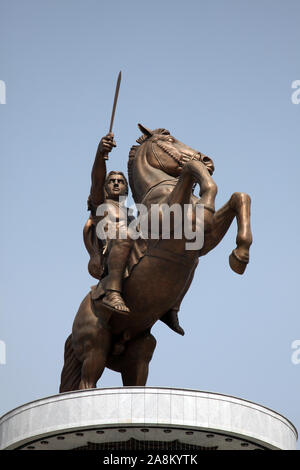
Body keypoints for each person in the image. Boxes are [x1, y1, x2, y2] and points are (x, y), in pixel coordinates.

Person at [84, 133, 185, 333]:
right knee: (125, 234)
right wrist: (100, 153)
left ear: (127, 190)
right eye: (111, 181)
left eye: (120, 181)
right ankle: (113, 290)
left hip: (133, 249)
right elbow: (96, 179)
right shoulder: (100, 206)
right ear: (104, 188)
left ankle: (171, 307)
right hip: (113, 252)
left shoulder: (133, 214)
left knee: (187, 253)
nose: (115, 183)